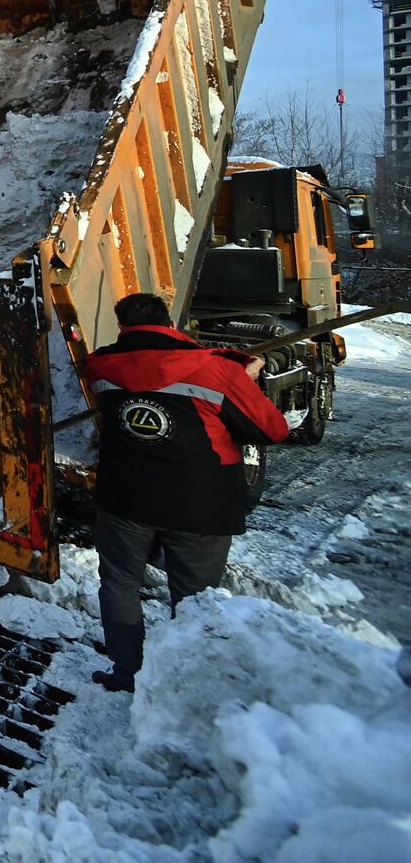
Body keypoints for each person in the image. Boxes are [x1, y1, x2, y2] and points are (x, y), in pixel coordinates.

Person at [83, 292, 289, 692]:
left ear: (123, 327)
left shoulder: (101, 365)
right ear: (170, 325)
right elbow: (273, 430)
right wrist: (244, 378)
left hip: (127, 497)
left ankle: (127, 672)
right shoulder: (216, 371)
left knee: (120, 582)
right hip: (202, 504)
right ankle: (188, 684)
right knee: (196, 597)